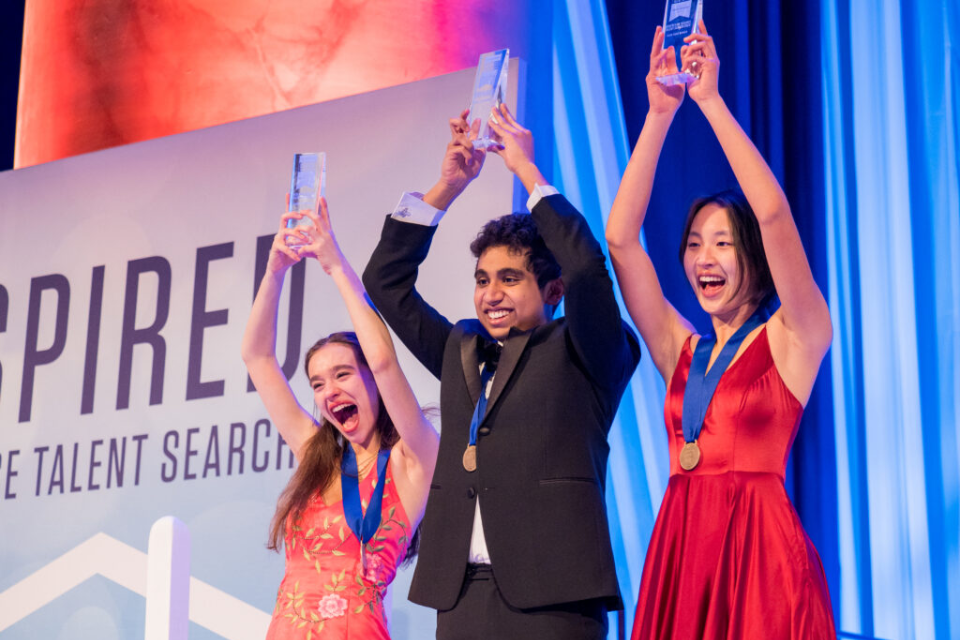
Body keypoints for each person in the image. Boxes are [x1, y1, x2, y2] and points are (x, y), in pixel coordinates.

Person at [361, 105, 641, 639]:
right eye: (483, 279)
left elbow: (584, 267)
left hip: (554, 598)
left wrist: (527, 173)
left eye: (510, 279)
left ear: (552, 292)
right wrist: (448, 187)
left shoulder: (588, 351)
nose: (491, 294)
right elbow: (385, 280)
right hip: (461, 594)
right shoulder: (461, 347)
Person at [605, 23, 836, 639]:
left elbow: (772, 212)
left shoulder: (795, 335)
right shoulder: (682, 349)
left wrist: (710, 102)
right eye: (694, 244)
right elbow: (622, 241)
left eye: (723, 244)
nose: (704, 257)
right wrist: (659, 115)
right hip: (681, 549)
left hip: (759, 559)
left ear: (753, 256)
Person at [241, 197, 439, 639]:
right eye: (317, 384)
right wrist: (275, 271)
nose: (329, 392)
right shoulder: (319, 457)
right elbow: (256, 357)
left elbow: (385, 362)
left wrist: (335, 267)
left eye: (343, 374)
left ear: (372, 381)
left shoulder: (414, 458)